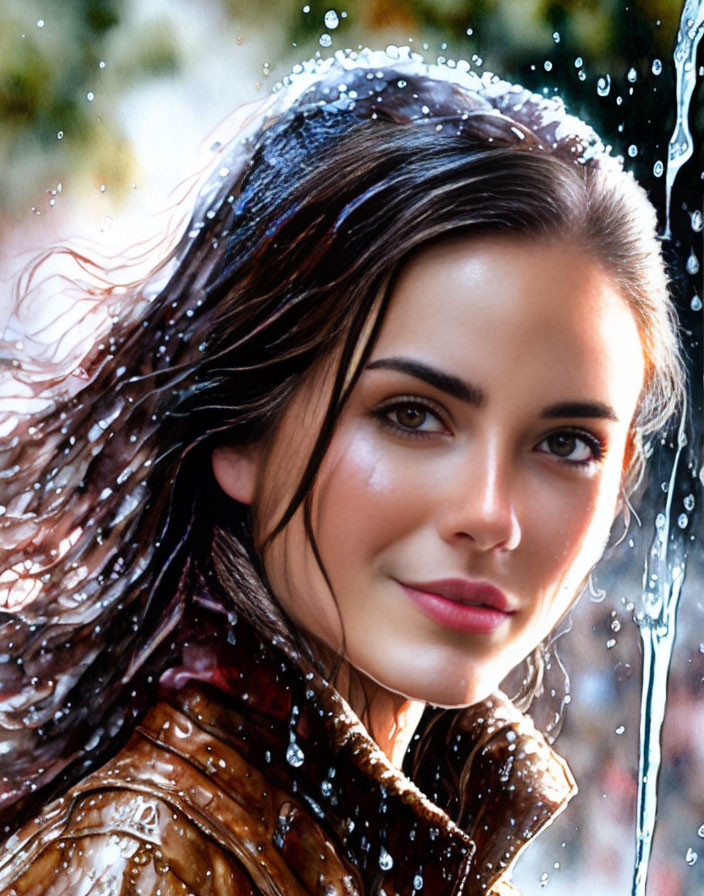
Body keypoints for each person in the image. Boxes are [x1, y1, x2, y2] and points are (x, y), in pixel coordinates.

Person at [0, 48, 685, 895]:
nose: (491, 514)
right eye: (411, 415)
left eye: (566, 443)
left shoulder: (408, 842)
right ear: (244, 429)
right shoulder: (140, 865)